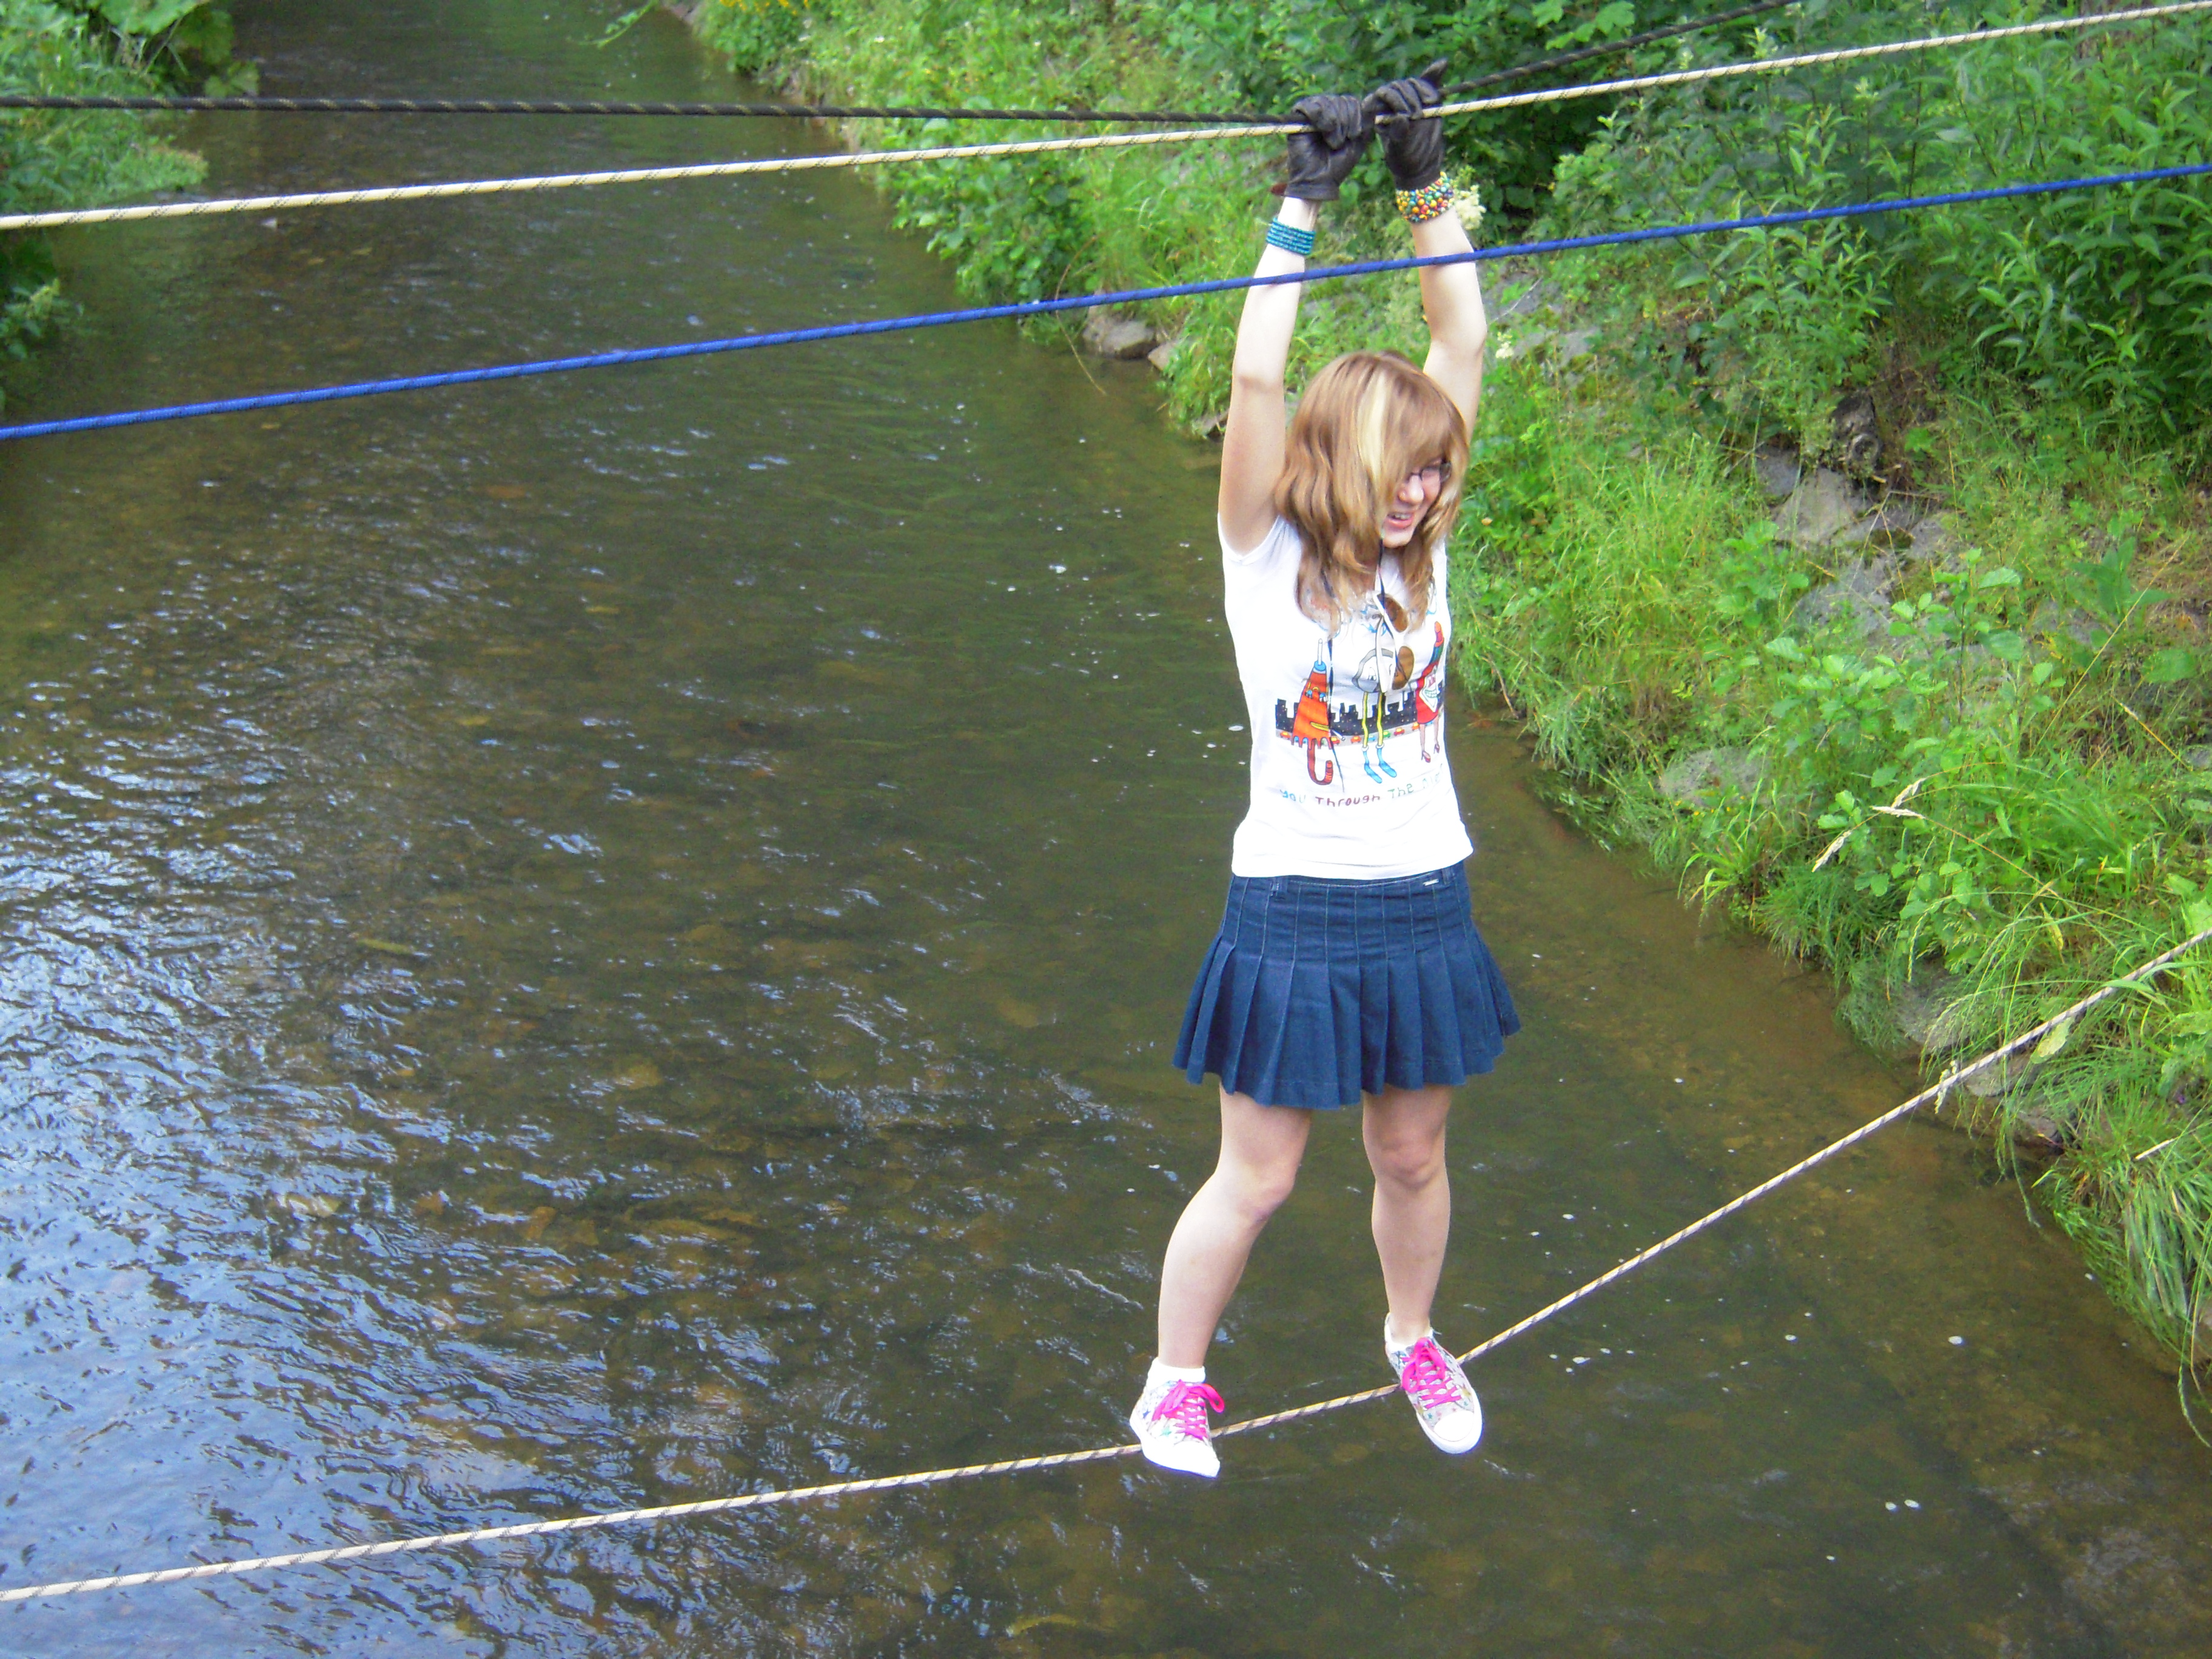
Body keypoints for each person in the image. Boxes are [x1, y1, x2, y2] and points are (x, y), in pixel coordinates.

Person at [1127, 67, 1520, 1478]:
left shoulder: (1426, 558)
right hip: (1294, 898)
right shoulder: (1263, 552)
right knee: (1262, 1173)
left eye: (1435, 473)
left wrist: (1424, 183)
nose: (1423, 492)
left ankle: (1412, 1338)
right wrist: (1299, 203)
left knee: (1411, 1156)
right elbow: (1254, 380)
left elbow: (1461, 333)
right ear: (1344, 461)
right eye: (1401, 472)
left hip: (1421, 894)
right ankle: (1172, 1384)